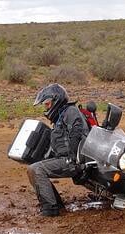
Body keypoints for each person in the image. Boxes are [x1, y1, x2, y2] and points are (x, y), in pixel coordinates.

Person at [27, 83, 89, 217]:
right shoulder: (61, 116)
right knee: (35, 167)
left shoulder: (70, 111)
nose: (46, 107)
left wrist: (73, 159)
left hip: (75, 160)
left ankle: (51, 208)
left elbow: (76, 132)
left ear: (57, 100)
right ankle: (56, 205)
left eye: (47, 104)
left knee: (36, 169)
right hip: (68, 158)